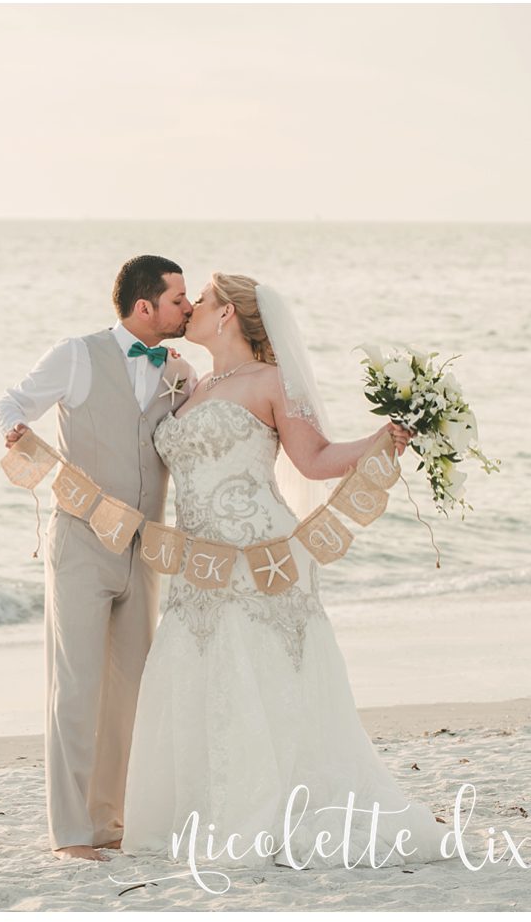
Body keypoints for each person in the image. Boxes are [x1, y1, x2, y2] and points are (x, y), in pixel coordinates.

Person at [121, 273, 447, 867]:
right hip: (197, 563)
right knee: (203, 674)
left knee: (263, 673)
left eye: (204, 301)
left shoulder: (271, 381)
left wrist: (378, 439)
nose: (190, 307)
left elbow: (315, 458)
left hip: (259, 555)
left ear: (226, 317)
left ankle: (276, 810)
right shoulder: (187, 385)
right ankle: (203, 811)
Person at [0, 255, 196, 861]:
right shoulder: (76, 356)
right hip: (81, 542)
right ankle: (72, 833)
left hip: (145, 548)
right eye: (179, 299)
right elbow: (14, 400)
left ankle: (111, 822)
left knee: (129, 691)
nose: (188, 308)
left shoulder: (180, 374)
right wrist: (13, 430)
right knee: (75, 689)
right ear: (145, 307)